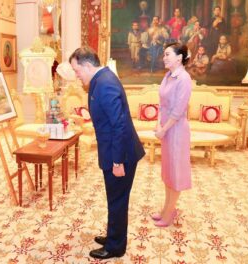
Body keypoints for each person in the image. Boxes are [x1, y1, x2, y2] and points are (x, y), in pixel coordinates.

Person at [69, 47, 145, 259]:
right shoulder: (100, 80)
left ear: (87, 65)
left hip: (120, 155)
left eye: (77, 70)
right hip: (113, 150)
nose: (77, 75)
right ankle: (114, 236)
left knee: (118, 200)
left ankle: (115, 247)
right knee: (115, 198)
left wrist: (118, 161)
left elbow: (119, 125)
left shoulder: (105, 83)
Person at [152, 42, 192, 227]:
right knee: (168, 171)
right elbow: (162, 103)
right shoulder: (168, 76)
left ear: (179, 57)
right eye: (164, 54)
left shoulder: (184, 78)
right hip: (166, 129)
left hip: (175, 131)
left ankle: (170, 212)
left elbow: (177, 111)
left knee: (175, 172)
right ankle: (166, 208)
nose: (164, 57)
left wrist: (163, 129)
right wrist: (158, 123)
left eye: (167, 54)